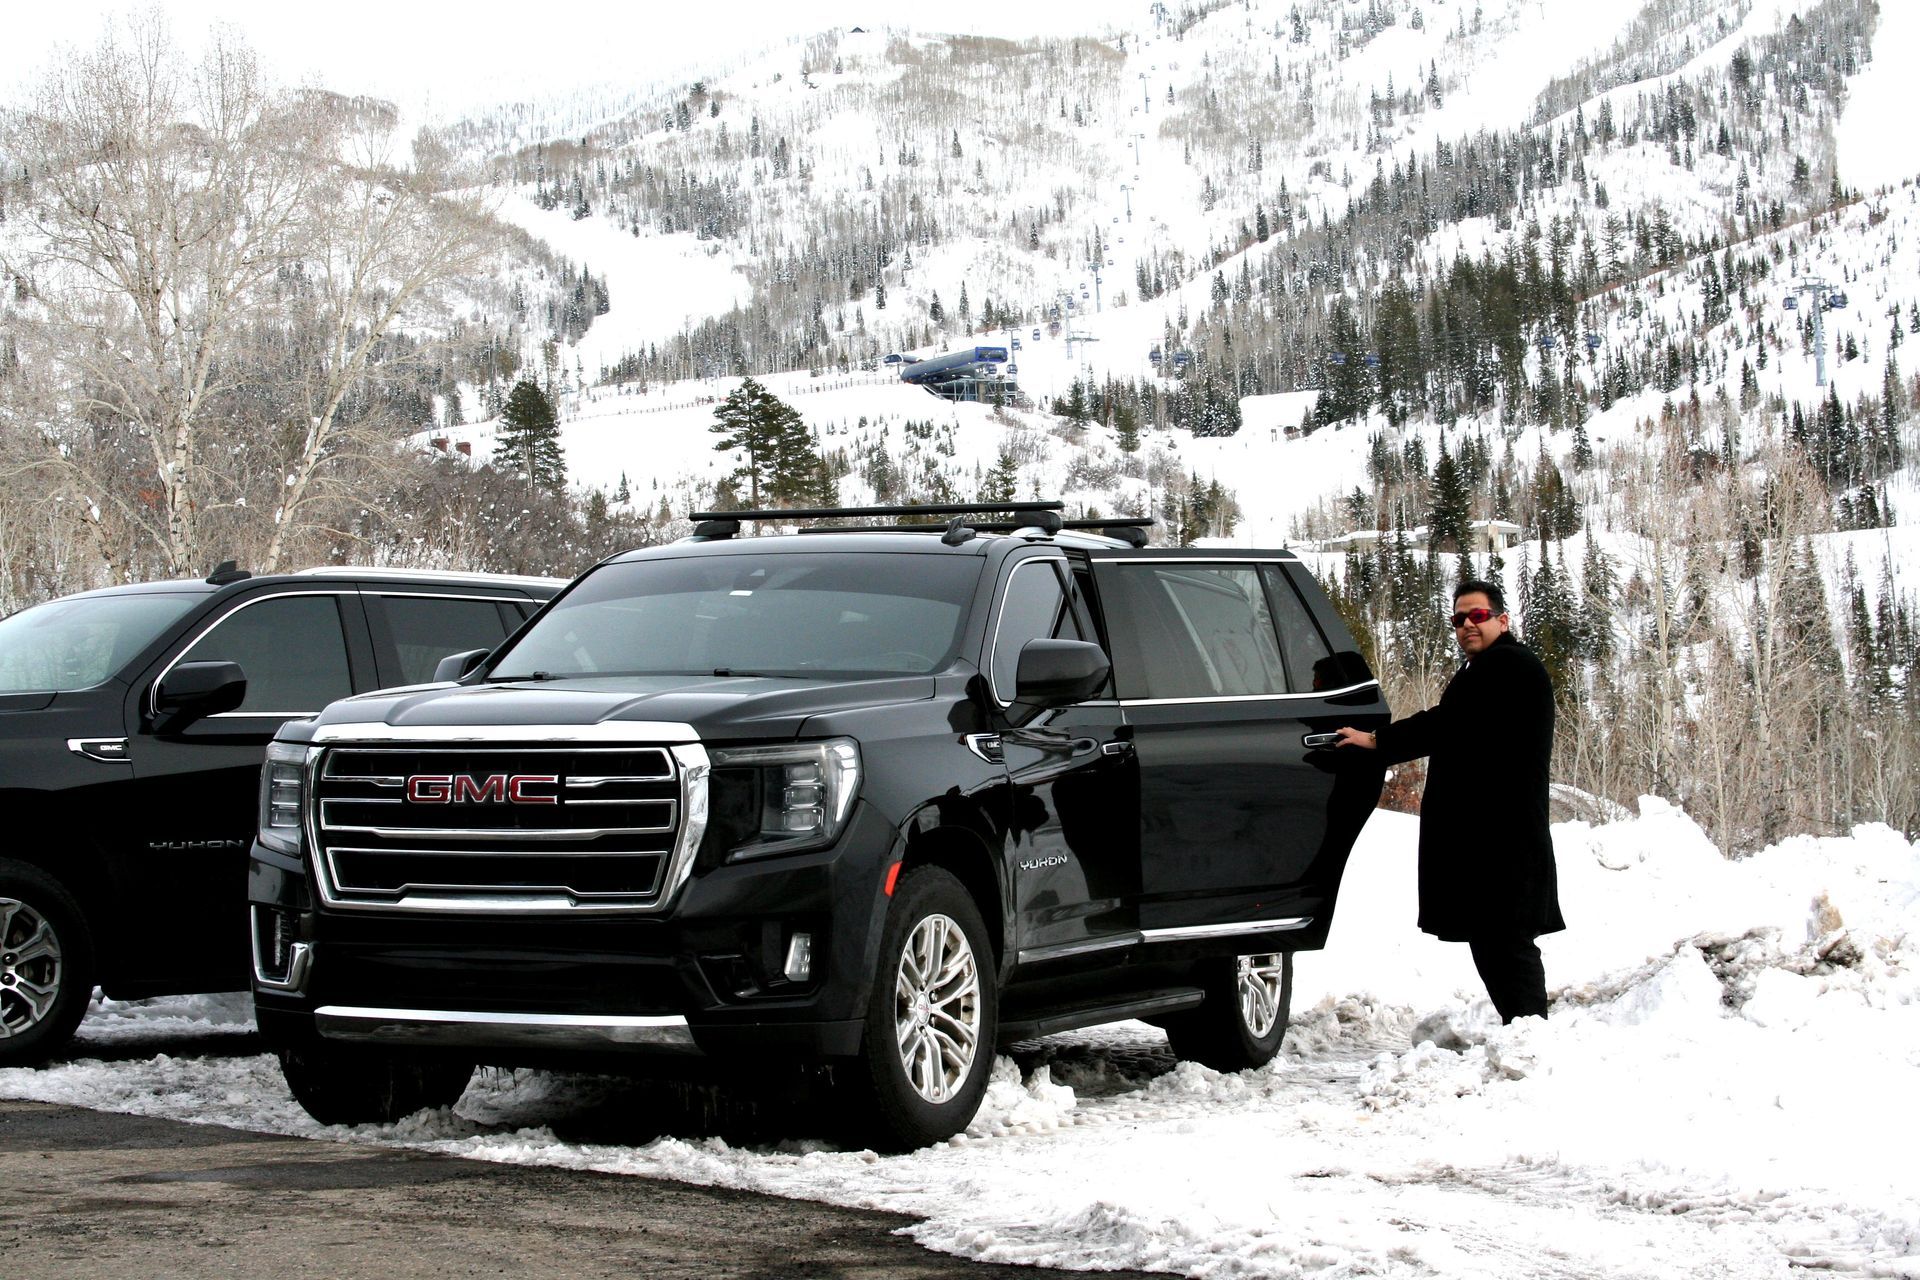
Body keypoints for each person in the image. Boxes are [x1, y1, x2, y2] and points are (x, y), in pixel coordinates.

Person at [1333, 579, 1563, 1023]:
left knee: (1507, 940)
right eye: (1458, 619)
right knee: (1492, 937)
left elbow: (1446, 724)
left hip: (1505, 835)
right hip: (1490, 835)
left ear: (1502, 619)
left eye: (1477, 616)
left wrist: (1377, 739)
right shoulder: (1486, 668)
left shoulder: (1508, 665)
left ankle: (1532, 1034)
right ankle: (1524, 1031)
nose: (1466, 625)